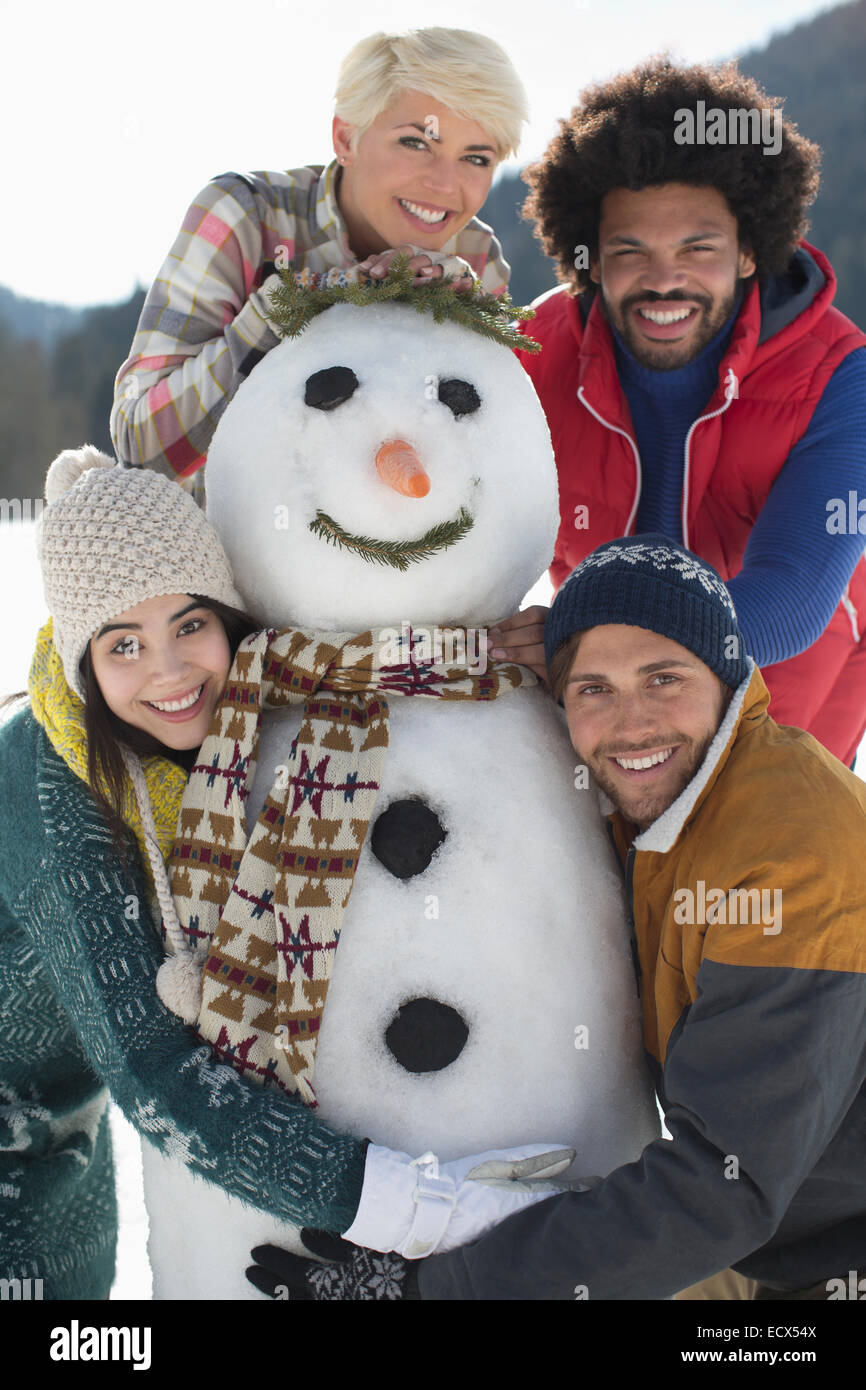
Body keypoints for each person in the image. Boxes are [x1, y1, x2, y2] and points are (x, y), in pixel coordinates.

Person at [0, 447, 568, 1299]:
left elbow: (338, 658)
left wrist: (492, 646)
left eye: (189, 624)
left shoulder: (228, 718)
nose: (169, 670)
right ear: (83, 664)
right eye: (124, 644)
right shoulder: (50, 784)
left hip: (58, 1138)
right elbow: (151, 1068)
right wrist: (424, 1211)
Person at [403, 535, 865, 1300]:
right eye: (594, 689)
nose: (633, 723)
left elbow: (726, 1185)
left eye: (664, 677)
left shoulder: (792, 852)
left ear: (724, 680)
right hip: (765, 1235)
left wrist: (440, 1290)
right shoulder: (658, 808)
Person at [498, 57, 866, 770]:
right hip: (605, 695)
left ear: (751, 250)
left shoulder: (842, 374)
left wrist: (578, 635)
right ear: (592, 261)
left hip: (787, 691)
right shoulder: (534, 354)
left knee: (757, 872)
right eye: (630, 252)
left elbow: (787, 602)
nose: (664, 280)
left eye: (697, 249)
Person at [110, 27, 527, 484]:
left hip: (394, 542)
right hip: (225, 547)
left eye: (477, 158)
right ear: (346, 138)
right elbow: (142, 448)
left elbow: (490, 473)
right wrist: (290, 310)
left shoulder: (475, 256)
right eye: (416, 142)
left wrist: (454, 323)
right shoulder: (246, 216)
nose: (445, 185)